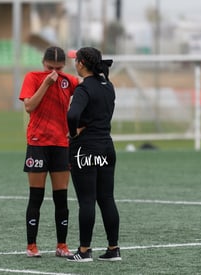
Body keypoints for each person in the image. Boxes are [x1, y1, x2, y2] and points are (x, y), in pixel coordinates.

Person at [19, 46, 79, 258]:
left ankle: (62, 245)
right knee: (36, 196)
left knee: (61, 198)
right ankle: (31, 245)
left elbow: (86, 90)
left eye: (58, 68)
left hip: (61, 144)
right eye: (49, 67)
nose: (54, 72)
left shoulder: (68, 81)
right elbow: (29, 107)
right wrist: (46, 83)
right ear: (43, 63)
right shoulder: (34, 77)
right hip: (37, 143)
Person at [66, 47, 121, 262]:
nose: (74, 64)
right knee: (107, 198)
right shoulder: (109, 86)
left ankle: (84, 251)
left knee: (86, 200)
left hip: (86, 149)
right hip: (107, 147)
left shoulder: (83, 89)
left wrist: (74, 132)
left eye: (75, 60)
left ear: (81, 64)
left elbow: (72, 115)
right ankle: (113, 249)